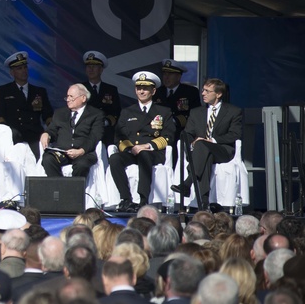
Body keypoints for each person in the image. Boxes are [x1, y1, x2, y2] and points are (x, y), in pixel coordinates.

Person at [171, 78, 243, 211]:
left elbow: (235, 134)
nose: (203, 93)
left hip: (222, 150)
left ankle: (188, 183)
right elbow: (188, 133)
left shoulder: (233, 111)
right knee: (204, 152)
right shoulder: (196, 112)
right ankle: (204, 202)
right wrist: (193, 142)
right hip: (201, 151)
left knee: (203, 146)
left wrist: (213, 140)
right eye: (203, 90)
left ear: (218, 94)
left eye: (207, 91)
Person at [108, 71, 175, 213]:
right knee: (115, 159)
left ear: (153, 90)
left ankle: (143, 199)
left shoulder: (164, 111)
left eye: (145, 88)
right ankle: (126, 199)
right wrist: (130, 148)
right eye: (139, 88)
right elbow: (118, 137)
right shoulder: (127, 111)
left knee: (144, 154)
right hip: (132, 151)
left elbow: (169, 136)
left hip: (153, 152)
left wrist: (147, 146)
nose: (142, 91)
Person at [0, 51, 53, 159]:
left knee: (40, 161)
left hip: (34, 134)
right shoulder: (4, 90)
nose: (23, 71)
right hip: (14, 134)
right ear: (12, 72)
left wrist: (50, 131)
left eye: (25, 67)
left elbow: (48, 115)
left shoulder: (39, 91)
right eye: (19, 69)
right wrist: (7, 131)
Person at [40, 84, 104, 178]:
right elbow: (52, 130)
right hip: (62, 152)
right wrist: (46, 134)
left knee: (82, 165)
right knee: (48, 159)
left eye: (71, 97)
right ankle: (59, 188)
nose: (68, 99)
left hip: (83, 152)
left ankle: (75, 191)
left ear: (83, 98)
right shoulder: (59, 113)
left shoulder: (96, 114)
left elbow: (95, 136)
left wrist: (81, 151)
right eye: (67, 96)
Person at [81, 50, 121, 145]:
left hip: (105, 131)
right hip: (85, 131)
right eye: (88, 66)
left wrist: (107, 121)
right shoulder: (79, 88)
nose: (91, 69)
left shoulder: (111, 89)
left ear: (101, 70)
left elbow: (116, 111)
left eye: (94, 66)